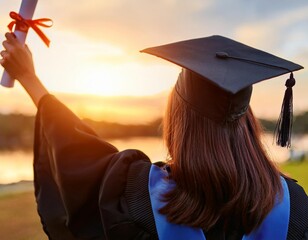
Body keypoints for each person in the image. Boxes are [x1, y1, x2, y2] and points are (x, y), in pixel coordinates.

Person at [1, 32, 308, 240]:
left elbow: (76, 150)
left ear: (179, 119)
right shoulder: (293, 207)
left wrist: (30, 79)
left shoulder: (135, 195)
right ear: (247, 121)